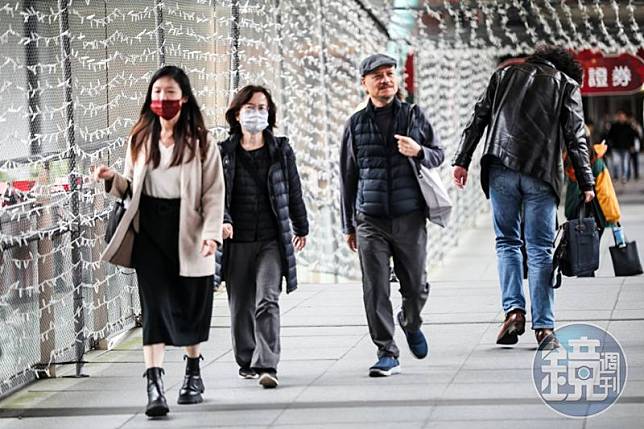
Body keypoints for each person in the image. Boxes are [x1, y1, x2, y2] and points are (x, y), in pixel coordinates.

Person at [93, 66, 225, 417]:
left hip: (189, 229)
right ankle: (154, 386)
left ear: (183, 97)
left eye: (169, 92)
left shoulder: (201, 141)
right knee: (153, 307)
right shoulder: (139, 138)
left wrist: (212, 234)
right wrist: (111, 179)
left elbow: (214, 193)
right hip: (149, 230)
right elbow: (131, 190)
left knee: (190, 303)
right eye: (156, 93)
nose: (162, 99)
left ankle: (193, 373)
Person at [452, 46, 595, 349]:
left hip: (500, 168)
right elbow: (575, 137)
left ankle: (514, 311)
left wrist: (461, 160)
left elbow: (478, 118)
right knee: (540, 250)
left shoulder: (503, 75)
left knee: (507, 242)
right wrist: (587, 181)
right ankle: (544, 328)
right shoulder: (566, 85)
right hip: (541, 174)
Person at [340, 53, 444, 377]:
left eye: (389, 74)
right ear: (364, 83)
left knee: (416, 287)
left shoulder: (414, 116)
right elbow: (347, 176)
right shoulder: (355, 124)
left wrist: (419, 151)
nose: (385, 80)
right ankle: (386, 351)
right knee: (375, 288)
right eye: (377, 76)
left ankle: (411, 322)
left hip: (409, 217)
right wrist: (349, 225)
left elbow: (438, 155)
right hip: (369, 219)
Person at [218, 85, 308, 388]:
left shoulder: (281, 150)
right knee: (240, 305)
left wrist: (301, 226)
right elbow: (216, 198)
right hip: (236, 242)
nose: (256, 113)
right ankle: (247, 360)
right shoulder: (224, 154)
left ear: (269, 114)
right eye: (250, 108)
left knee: (267, 299)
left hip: (271, 240)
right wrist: (224, 221)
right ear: (236, 114)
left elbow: (293, 190)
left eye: (261, 108)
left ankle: (268, 363)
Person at [605, 110, 637, 183]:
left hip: (626, 148)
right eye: (620, 116)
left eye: (623, 116)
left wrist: (632, 145)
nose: (621, 118)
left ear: (625, 117)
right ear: (618, 117)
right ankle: (616, 176)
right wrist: (610, 145)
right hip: (616, 147)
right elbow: (609, 136)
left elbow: (632, 136)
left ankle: (624, 176)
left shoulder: (628, 126)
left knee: (625, 163)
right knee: (615, 163)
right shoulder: (614, 126)